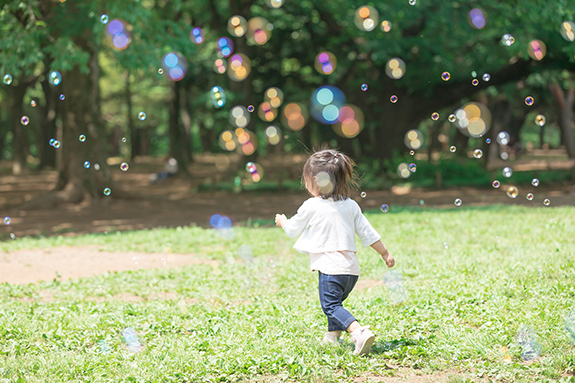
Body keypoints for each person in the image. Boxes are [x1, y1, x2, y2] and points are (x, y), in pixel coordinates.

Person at [275, 149, 395, 357]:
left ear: (315, 180)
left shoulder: (311, 205)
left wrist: (283, 222)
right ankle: (332, 337)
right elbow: (368, 233)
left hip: (330, 269)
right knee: (335, 304)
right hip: (351, 271)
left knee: (330, 305)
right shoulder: (351, 205)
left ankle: (359, 332)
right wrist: (385, 253)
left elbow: (292, 230)